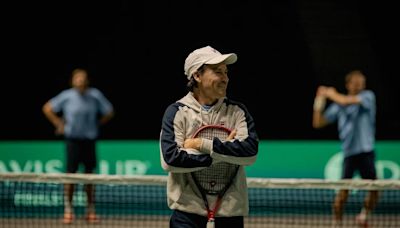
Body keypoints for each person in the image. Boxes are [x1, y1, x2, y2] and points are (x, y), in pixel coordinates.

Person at [159, 45, 259, 228]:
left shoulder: (237, 112)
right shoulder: (177, 112)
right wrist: (223, 153)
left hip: (230, 214)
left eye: (226, 72)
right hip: (187, 215)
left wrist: (200, 144)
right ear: (197, 76)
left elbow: (250, 154)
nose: (225, 78)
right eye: (218, 72)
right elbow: (171, 160)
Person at [42, 68, 114, 224]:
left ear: (87, 81)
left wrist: (98, 123)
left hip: (89, 141)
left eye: (83, 78)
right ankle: (68, 210)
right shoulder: (66, 96)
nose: (80, 81)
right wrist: (58, 123)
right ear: (73, 81)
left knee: (89, 177)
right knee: (70, 176)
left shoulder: (95, 95)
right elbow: (47, 108)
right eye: (77, 78)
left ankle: (90, 211)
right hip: (72, 141)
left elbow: (109, 111)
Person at [312, 70, 379, 227]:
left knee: (375, 189)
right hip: (349, 154)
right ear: (348, 84)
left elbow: (344, 100)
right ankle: (337, 223)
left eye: (362, 82)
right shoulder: (338, 105)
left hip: (366, 152)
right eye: (356, 82)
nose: (360, 84)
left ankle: (363, 216)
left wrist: (330, 92)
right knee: (343, 193)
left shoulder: (368, 97)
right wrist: (319, 100)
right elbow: (318, 123)